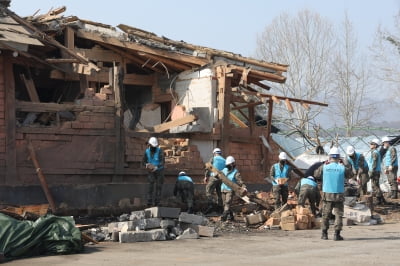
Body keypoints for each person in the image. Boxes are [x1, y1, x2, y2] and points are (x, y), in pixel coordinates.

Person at [314, 146, 349, 241]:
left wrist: (325, 165)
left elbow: (316, 174)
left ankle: (324, 234)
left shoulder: (324, 167)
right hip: (339, 194)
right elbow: (351, 174)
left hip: (327, 194)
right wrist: (345, 164)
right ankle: (336, 234)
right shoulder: (342, 168)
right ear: (339, 158)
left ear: (329, 157)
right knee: (338, 214)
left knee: (326, 214)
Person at [220, 156, 246, 221]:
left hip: (230, 190)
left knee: (228, 202)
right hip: (223, 189)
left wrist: (244, 187)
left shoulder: (235, 172)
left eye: (231, 164)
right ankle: (231, 216)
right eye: (228, 165)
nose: (230, 165)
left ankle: (224, 217)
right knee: (224, 204)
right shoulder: (224, 170)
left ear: (233, 164)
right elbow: (219, 175)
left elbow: (240, 181)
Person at [142, 137, 165, 206]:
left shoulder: (160, 151)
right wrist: (146, 164)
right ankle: (149, 202)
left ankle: (157, 202)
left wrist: (156, 167)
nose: (153, 148)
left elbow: (162, 162)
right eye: (152, 146)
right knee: (150, 186)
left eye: (155, 146)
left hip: (159, 171)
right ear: (149, 145)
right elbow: (143, 161)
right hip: (151, 171)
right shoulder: (146, 151)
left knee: (159, 186)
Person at [204, 148, 226, 214]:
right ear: (220, 153)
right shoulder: (224, 160)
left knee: (208, 191)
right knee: (220, 193)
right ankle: (220, 209)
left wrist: (206, 176)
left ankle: (211, 206)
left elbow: (208, 167)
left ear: (214, 153)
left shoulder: (213, 158)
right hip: (221, 178)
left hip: (213, 177)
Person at [367, 138, 386, 205]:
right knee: (376, 185)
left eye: (372, 144)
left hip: (374, 171)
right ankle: (382, 200)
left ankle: (379, 200)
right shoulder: (375, 152)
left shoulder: (375, 153)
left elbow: (374, 163)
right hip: (375, 171)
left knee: (375, 186)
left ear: (375, 145)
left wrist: (372, 171)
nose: (370, 145)